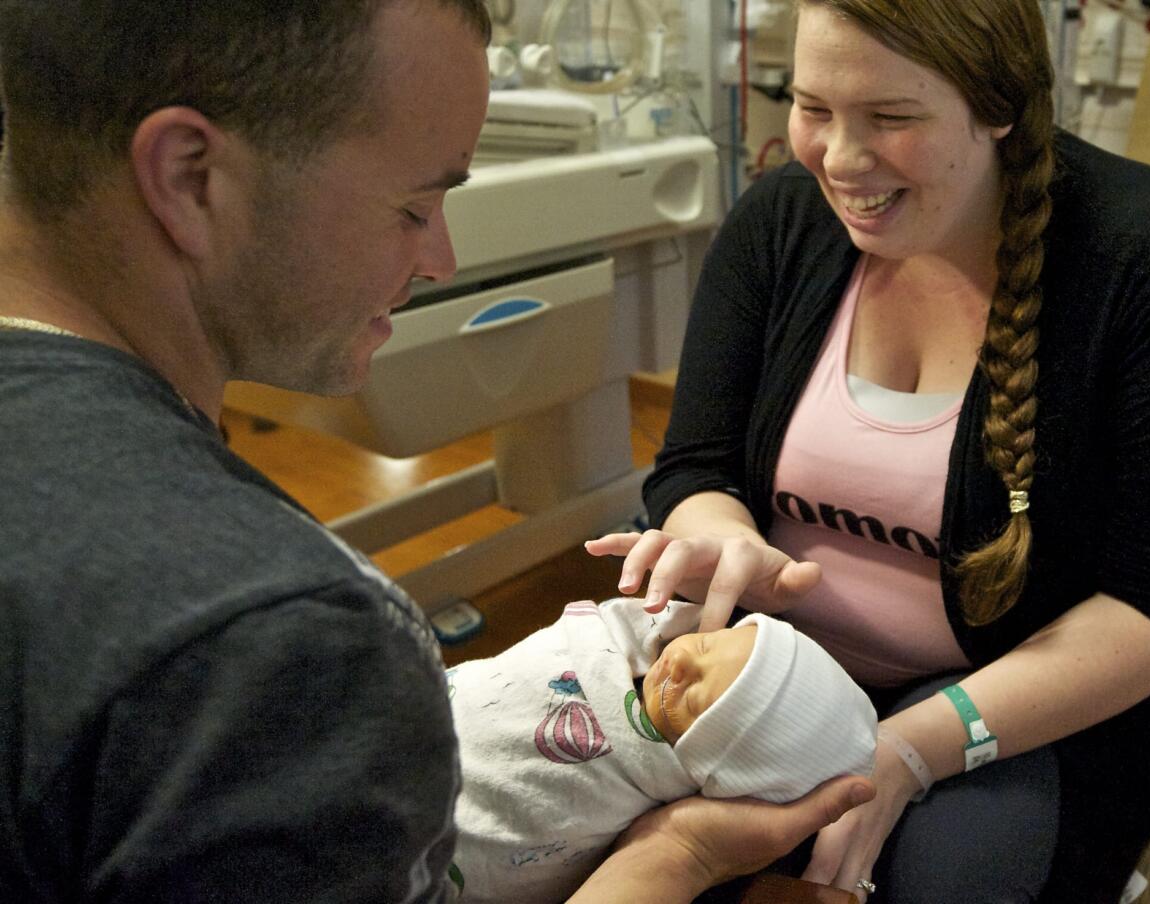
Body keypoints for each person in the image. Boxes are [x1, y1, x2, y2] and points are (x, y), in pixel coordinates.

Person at [0, 1, 874, 902]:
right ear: (190, 177)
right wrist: (677, 858)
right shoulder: (272, 646)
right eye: (416, 205)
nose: (441, 258)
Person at [585, 0, 1150, 901]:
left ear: (998, 105)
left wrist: (915, 750)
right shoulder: (783, 221)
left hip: (1031, 689)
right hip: (781, 659)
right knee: (574, 792)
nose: (840, 160)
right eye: (813, 108)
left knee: (947, 874)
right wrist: (722, 533)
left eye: (892, 118)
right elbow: (697, 464)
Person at [449, 597, 877, 903]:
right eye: (707, 645)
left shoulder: (642, 784)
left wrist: (691, 853)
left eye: (693, 699)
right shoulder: (622, 639)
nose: (681, 663)